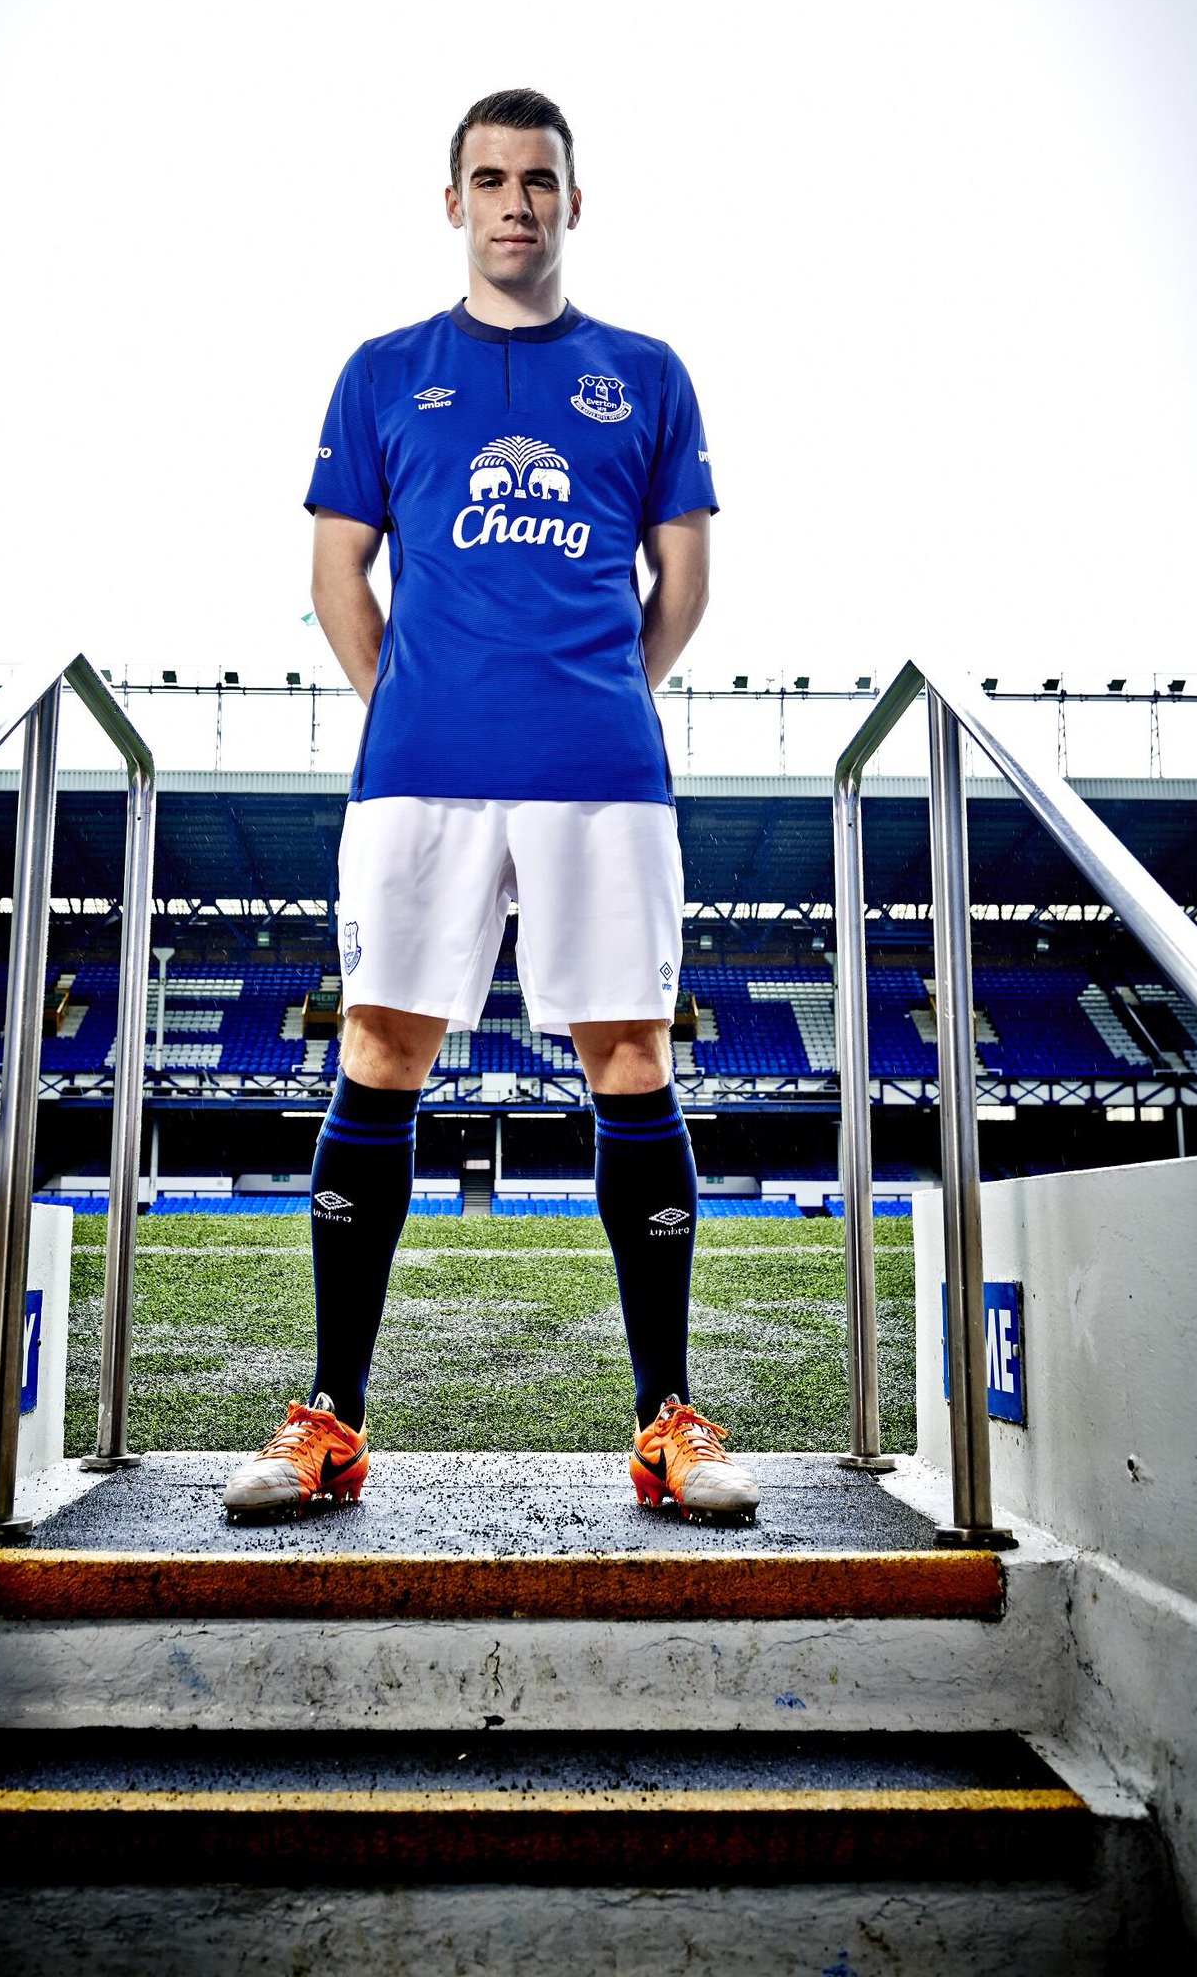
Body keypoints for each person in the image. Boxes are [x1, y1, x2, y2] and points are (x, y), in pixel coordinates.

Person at [224, 88, 759, 1525]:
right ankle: (332, 1420)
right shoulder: (383, 372)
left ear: (574, 202)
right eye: (491, 178)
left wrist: (599, 694)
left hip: (601, 774)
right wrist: (412, 700)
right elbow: (338, 575)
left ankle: (666, 1424)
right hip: (420, 775)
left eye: (539, 180)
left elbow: (684, 586)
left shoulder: (646, 373)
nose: (515, 202)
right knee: (381, 1049)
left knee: (630, 1055)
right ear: (452, 200)